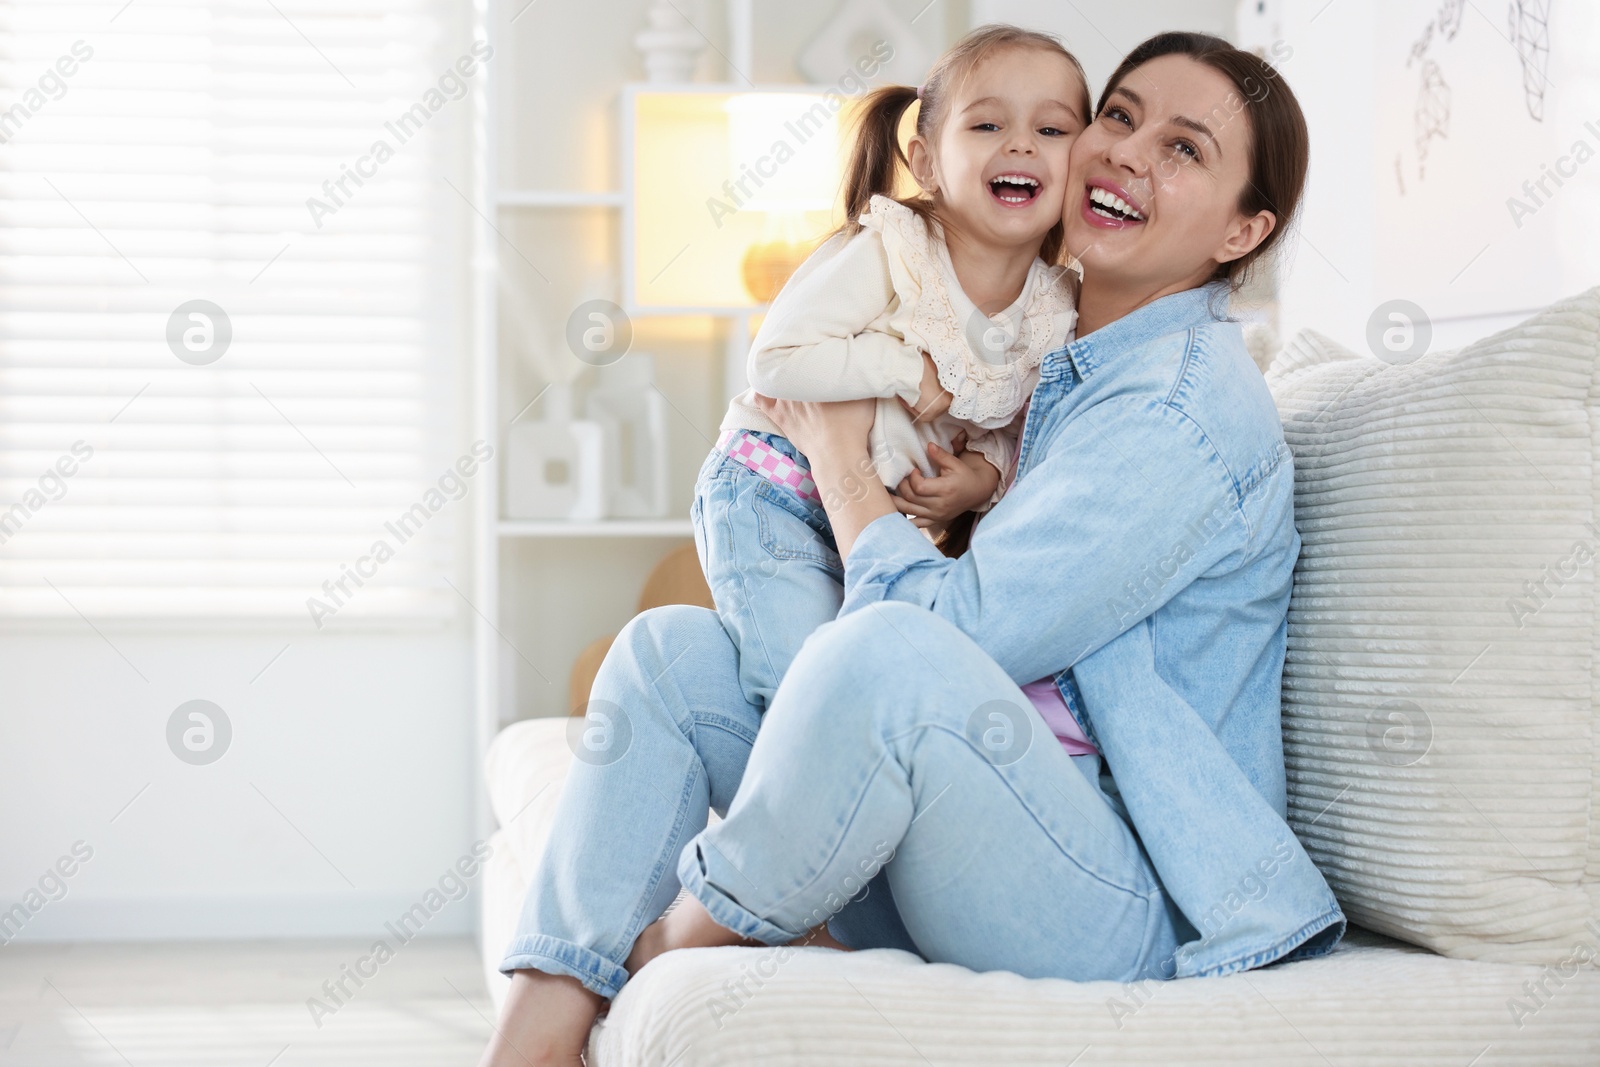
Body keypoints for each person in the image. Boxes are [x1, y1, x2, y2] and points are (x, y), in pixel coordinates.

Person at [479, 31, 1345, 1067]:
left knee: (882, 649)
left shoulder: (1178, 409)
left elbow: (953, 636)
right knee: (667, 652)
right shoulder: (1062, 348)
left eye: (1184, 149)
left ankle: (685, 934)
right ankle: (537, 1026)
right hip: (973, 824)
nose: (1125, 154)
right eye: (1119, 117)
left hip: (1116, 894)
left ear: (1244, 229)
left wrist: (839, 458)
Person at [696, 24, 1086, 711]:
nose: (1021, 143)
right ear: (927, 161)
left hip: (875, 524)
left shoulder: (1053, 309)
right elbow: (778, 359)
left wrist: (984, 477)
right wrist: (905, 369)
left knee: (867, 696)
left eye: (1052, 130)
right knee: (800, 699)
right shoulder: (894, 251)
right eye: (988, 123)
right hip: (773, 487)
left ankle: (686, 684)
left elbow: (1017, 424)